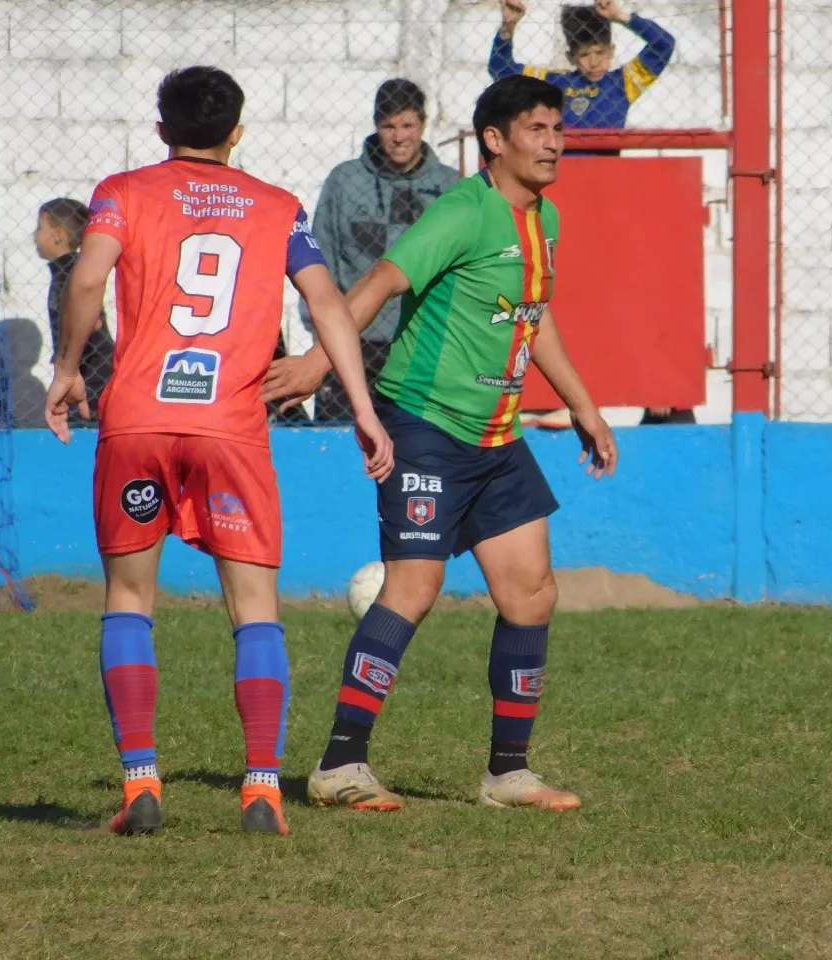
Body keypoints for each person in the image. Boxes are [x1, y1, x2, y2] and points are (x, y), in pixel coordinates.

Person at [44, 66, 393, 837]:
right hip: (231, 428)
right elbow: (327, 304)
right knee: (256, 611)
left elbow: (88, 277)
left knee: (130, 601)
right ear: (238, 131)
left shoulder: (123, 191)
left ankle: (140, 779)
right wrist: (362, 409)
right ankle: (262, 789)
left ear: (162, 128)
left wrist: (69, 371)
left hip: (137, 420)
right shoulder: (277, 207)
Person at [263, 75, 618, 812]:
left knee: (531, 595)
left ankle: (508, 774)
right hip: (425, 426)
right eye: (537, 129)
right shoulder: (462, 211)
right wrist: (315, 363)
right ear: (496, 140)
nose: (553, 142)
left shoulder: (543, 220)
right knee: (414, 590)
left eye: (558, 128)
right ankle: (340, 766)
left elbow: (532, 314)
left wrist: (583, 405)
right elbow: (379, 283)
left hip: (496, 438)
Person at [301, 78, 459, 421]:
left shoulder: (449, 186)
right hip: (351, 338)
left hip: (421, 340)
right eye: (389, 126)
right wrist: (322, 334)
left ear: (423, 124)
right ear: (376, 126)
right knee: (342, 442)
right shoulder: (344, 181)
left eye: (407, 125)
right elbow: (320, 257)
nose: (399, 136)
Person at [490, 0, 675, 131]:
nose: (594, 63)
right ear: (571, 57)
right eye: (584, 54)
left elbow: (664, 45)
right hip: (561, 173)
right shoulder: (553, 82)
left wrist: (619, 16)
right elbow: (500, 70)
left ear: (611, 51)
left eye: (600, 53)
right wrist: (508, 27)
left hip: (606, 173)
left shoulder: (624, 82)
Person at [34, 197, 114, 418]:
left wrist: (65, 355)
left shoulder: (70, 272)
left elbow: (92, 321)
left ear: (58, 234)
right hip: (84, 365)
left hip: (94, 368)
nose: (34, 235)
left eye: (40, 227)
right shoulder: (66, 270)